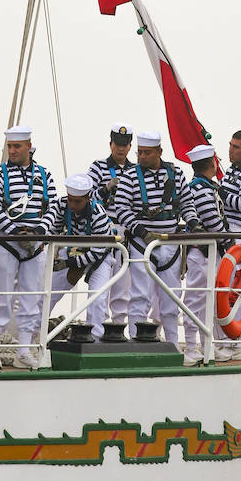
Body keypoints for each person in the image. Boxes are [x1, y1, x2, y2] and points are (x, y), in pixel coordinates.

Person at [0, 125, 57, 371]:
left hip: (35, 246)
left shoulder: (45, 175)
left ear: (28, 147)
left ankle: (23, 351)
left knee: (31, 299)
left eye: (16, 147)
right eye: (9, 146)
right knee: (0, 297)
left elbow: (53, 206)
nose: (12, 151)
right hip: (6, 244)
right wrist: (14, 233)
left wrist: (39, 232)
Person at [115, 130, 196, 345]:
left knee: (171, 299)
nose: (141, 157)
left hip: (169, 245)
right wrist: (141, 232)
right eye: (140, 152)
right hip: (141, 244)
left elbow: (187, 203)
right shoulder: (130, 176)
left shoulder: (176, 174)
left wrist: (193, 222)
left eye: (147, 153)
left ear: (159, 152)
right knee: (139, 297)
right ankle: (135, 343)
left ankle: (173, 345)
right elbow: (122, 209)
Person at [43, 173, 115, 339]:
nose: (72, 204)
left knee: (97, 298)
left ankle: (95, 339)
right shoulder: (62, 205)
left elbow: (98, 252)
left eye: (77, 201)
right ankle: (36, 336)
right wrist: (42, 242)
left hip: (99, 258)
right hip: (72, 252)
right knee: (48, 294)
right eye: (70, 199)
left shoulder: (98, 214)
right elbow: (54, 228)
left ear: (88, 198)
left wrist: (69, 263)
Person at [183, 144, 229, 365]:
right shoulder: (201, 189)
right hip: (201, 254)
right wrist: (229, 241)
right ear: (212, 163)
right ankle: (191, 347)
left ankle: (208, 345)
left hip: (211, 253)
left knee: (210, 302)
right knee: (195, 301)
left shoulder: (205, 187)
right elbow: (212, 222)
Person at [87, 123, 135, 328]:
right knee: (101, 285)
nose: (120, 148)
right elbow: (87, 198)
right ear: (110, 144)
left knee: (123, 289)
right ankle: (98, 329)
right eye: (117, 144)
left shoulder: (136, 170)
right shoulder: (98, 167)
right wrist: (106, 189)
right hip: (104, 230)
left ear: (130, 146)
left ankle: (117, 329)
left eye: (124, 145)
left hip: (127, 232)